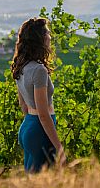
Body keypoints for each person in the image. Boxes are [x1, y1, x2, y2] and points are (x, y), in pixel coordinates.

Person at [11, 18, 65, 172]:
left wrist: (31, 127)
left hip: (27, 126)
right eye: (47, 33)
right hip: (40, 130)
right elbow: (43, 114)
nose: (50, 36)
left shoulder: (20, 66)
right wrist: (59, 148)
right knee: (43, 185)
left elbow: (24, 105)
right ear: (40, 39)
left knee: (32, 182)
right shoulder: (39, 70)